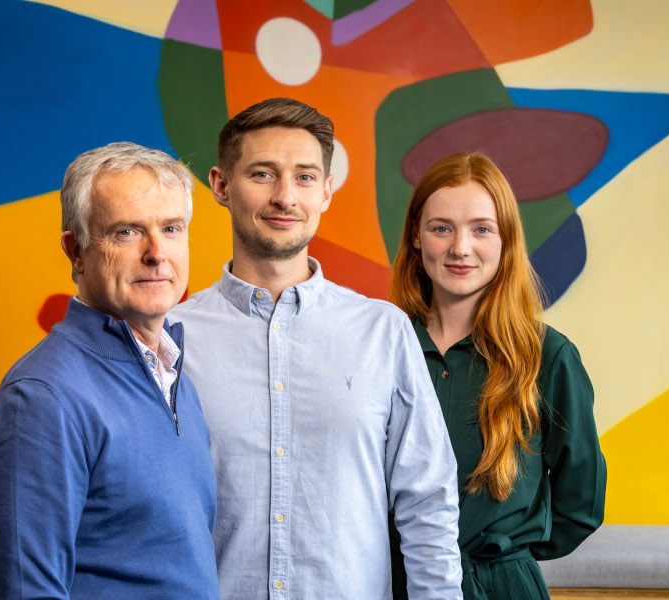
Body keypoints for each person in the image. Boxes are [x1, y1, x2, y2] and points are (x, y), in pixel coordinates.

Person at [168, 97, 462, 599]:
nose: (286, 197)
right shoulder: (171, 338)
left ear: (327, 191)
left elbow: (428, 505)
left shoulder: (383, 332)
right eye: (262, 174)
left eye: (305, 177)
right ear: (220, 185)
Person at [0, 142, 219, 599]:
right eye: (127, 232)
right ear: (77, 251)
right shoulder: (42, 398)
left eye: (171, 228)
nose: (156, 253)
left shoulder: (173, 376)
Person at [389, 152, 607, 599]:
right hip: (394, 583)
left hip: (501, 587)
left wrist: (506, 554)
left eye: (481, 229)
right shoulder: (381, 346)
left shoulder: (548, 356)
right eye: (441, 227)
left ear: (506, 240)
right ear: (416, 236)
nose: (460, 248)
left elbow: (580, 504)